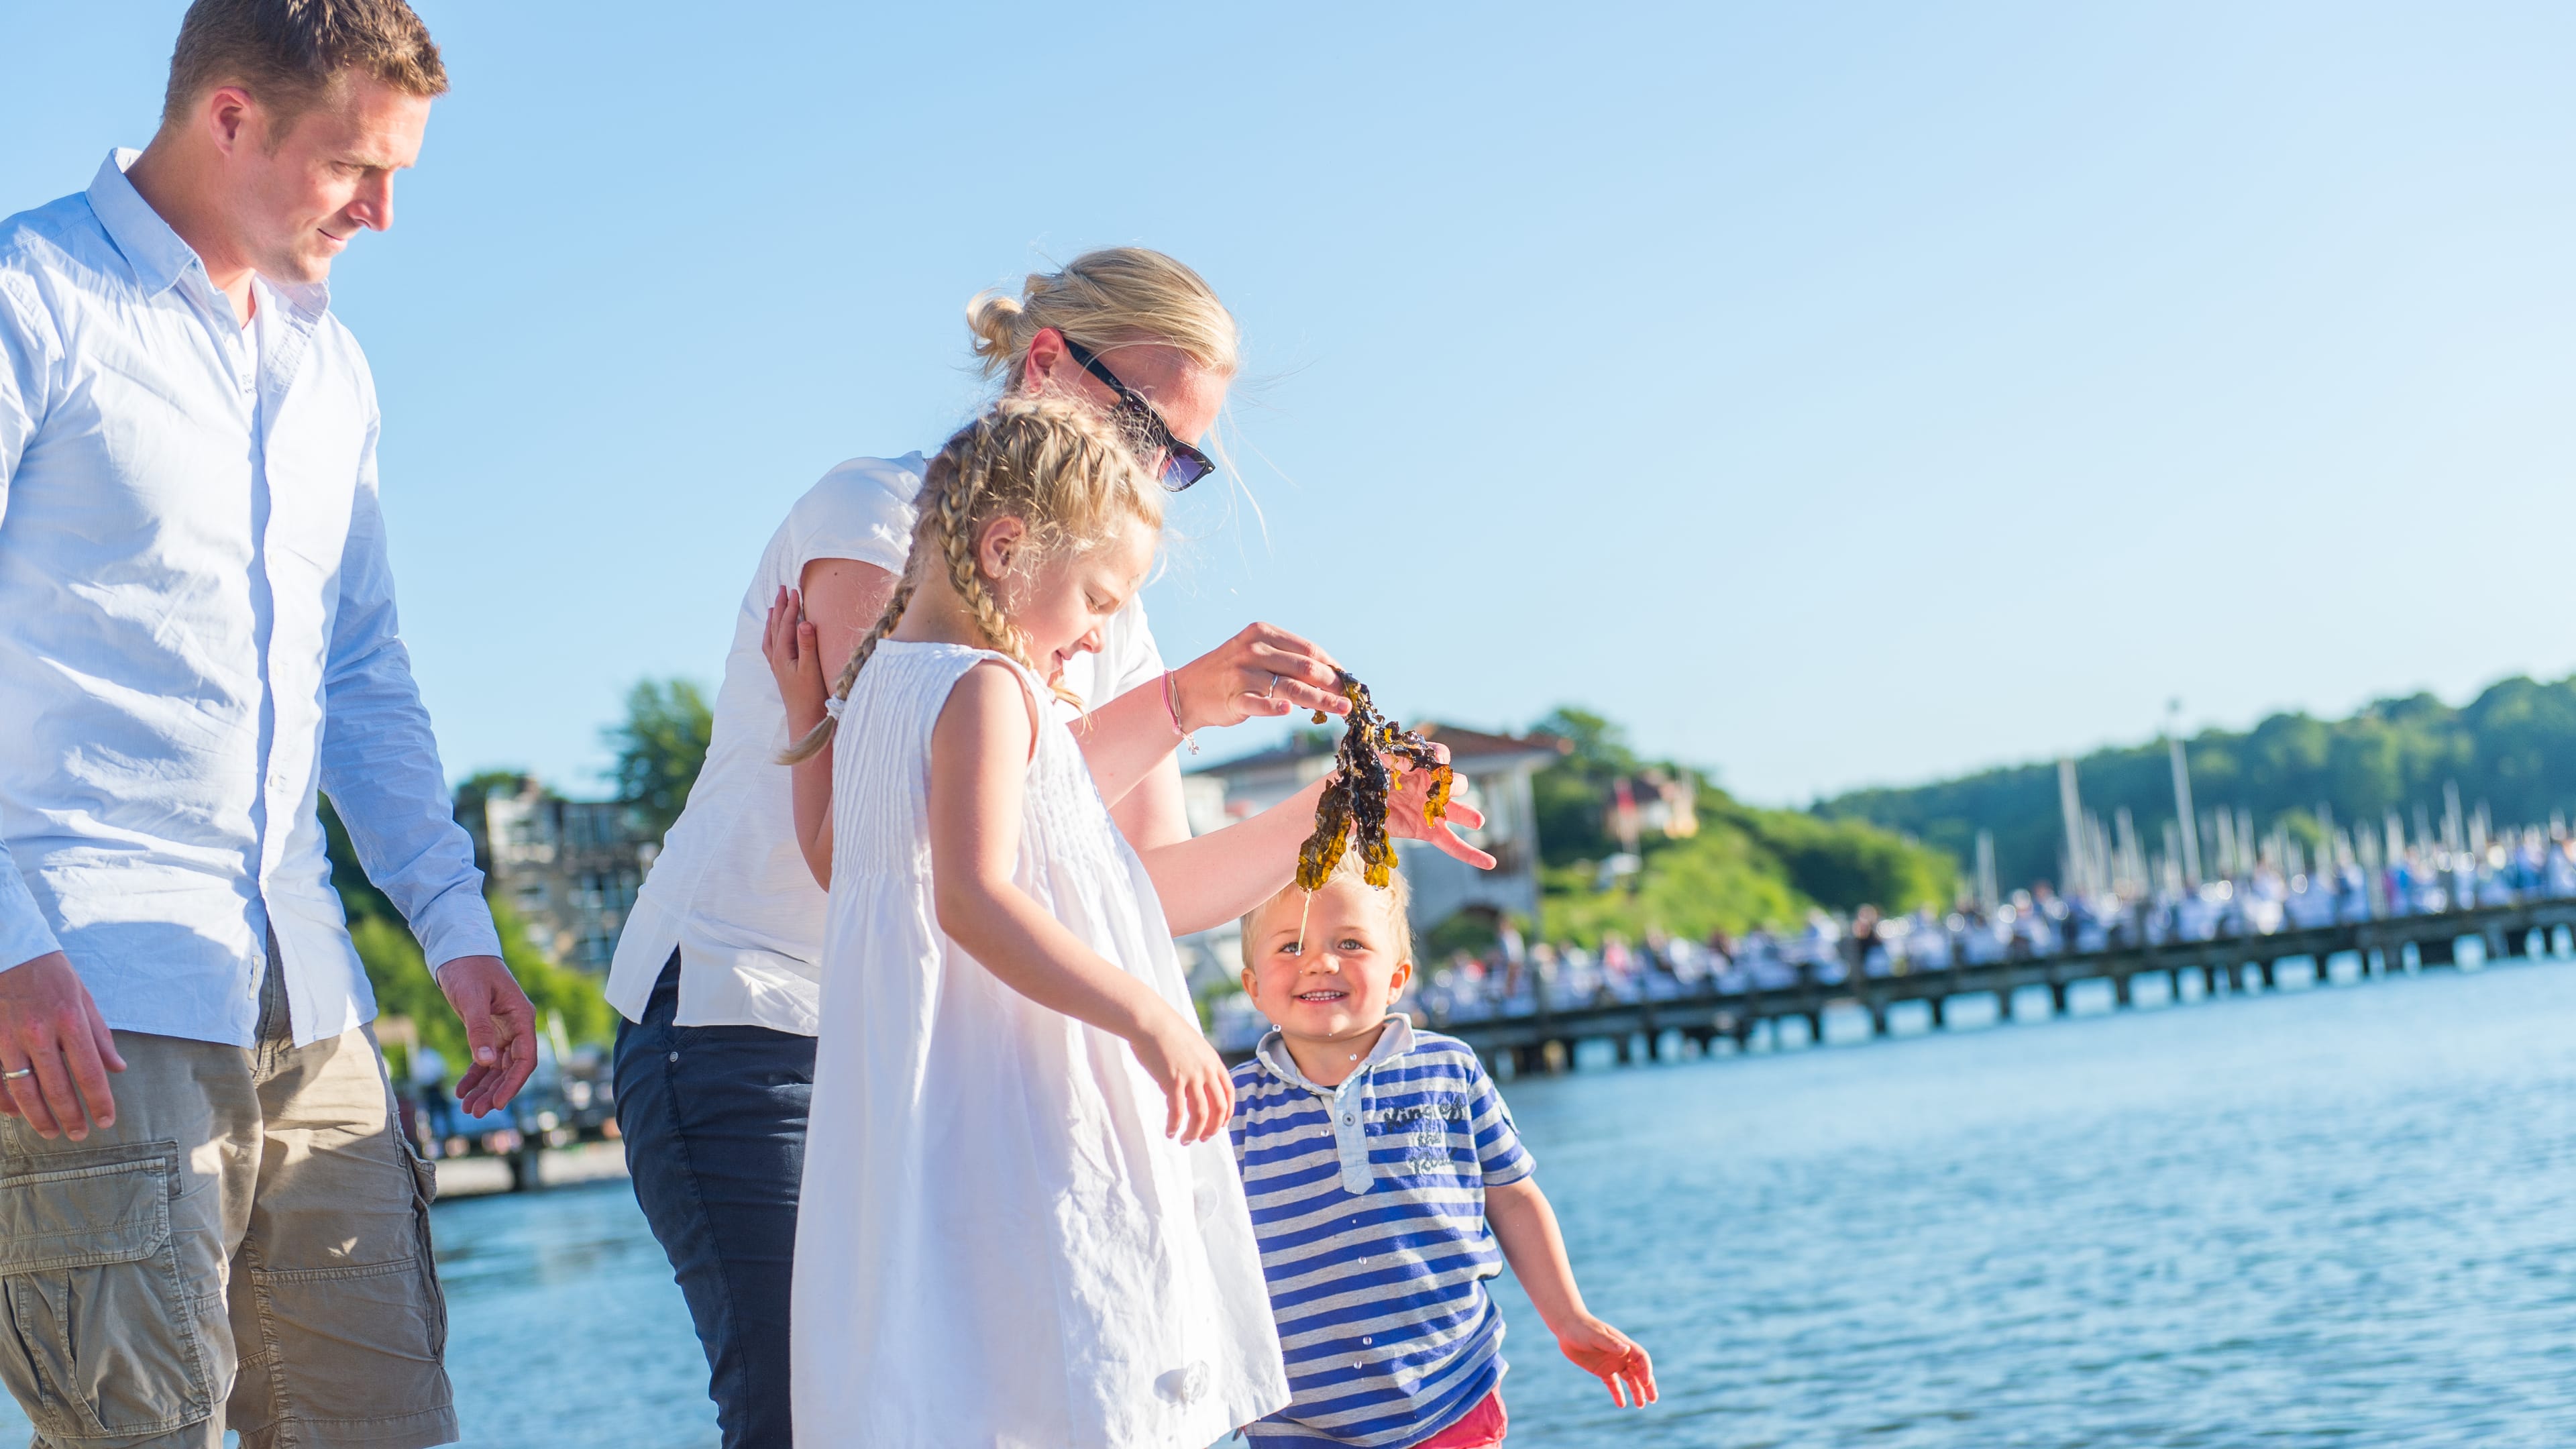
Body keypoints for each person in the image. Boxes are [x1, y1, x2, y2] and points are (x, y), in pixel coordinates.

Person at [606, 248, 1491, 1447]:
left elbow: (1135, 887)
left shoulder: (1088, 602)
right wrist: (1172, 709)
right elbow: (917, 846)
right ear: (1042, 365)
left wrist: (1355, 804)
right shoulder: (883, 520)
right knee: (813, 1417)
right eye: (1142, 431)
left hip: (942, 1059)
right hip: (763, 1022)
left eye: (1180, 459)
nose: (1154, 477)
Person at [0, 3, 538, 1446]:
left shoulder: (330, 370)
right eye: (356, 168)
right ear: (230, 116)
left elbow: (362, 672)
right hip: (87, 1002)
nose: (381, 212)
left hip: (308, 996)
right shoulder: (29, 293)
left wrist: (456, 925)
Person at [769, 398, 1343, 1443]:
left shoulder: (885, 685)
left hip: (928, 1112)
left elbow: (830, 861)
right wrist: (1150, 1019)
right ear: (1005, 550)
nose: (1095, 633)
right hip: (1026, 1104)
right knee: (1083, 1364)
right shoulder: (990, 688)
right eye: (1096, 598)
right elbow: (974, 899)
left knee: (975, 1377)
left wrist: (806, 711)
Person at [1229, 857, 1656, 1448]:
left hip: (1450, 1392)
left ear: (1399, 975)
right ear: (1252, 984)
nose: (1320, 961)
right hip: (1299, 1420)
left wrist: (1569, 1318)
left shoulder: (1448, 1071)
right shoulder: (1229, 1108)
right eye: (1289, 947)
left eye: (1350, 942)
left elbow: (1512, 1199)